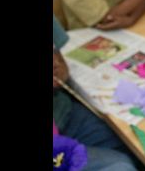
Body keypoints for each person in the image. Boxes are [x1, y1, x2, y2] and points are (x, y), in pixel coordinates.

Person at [53, 16, 139, 170]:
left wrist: (58, 68)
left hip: (62, 113)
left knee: (130, 143)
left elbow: (60, 66)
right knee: (120, 166)